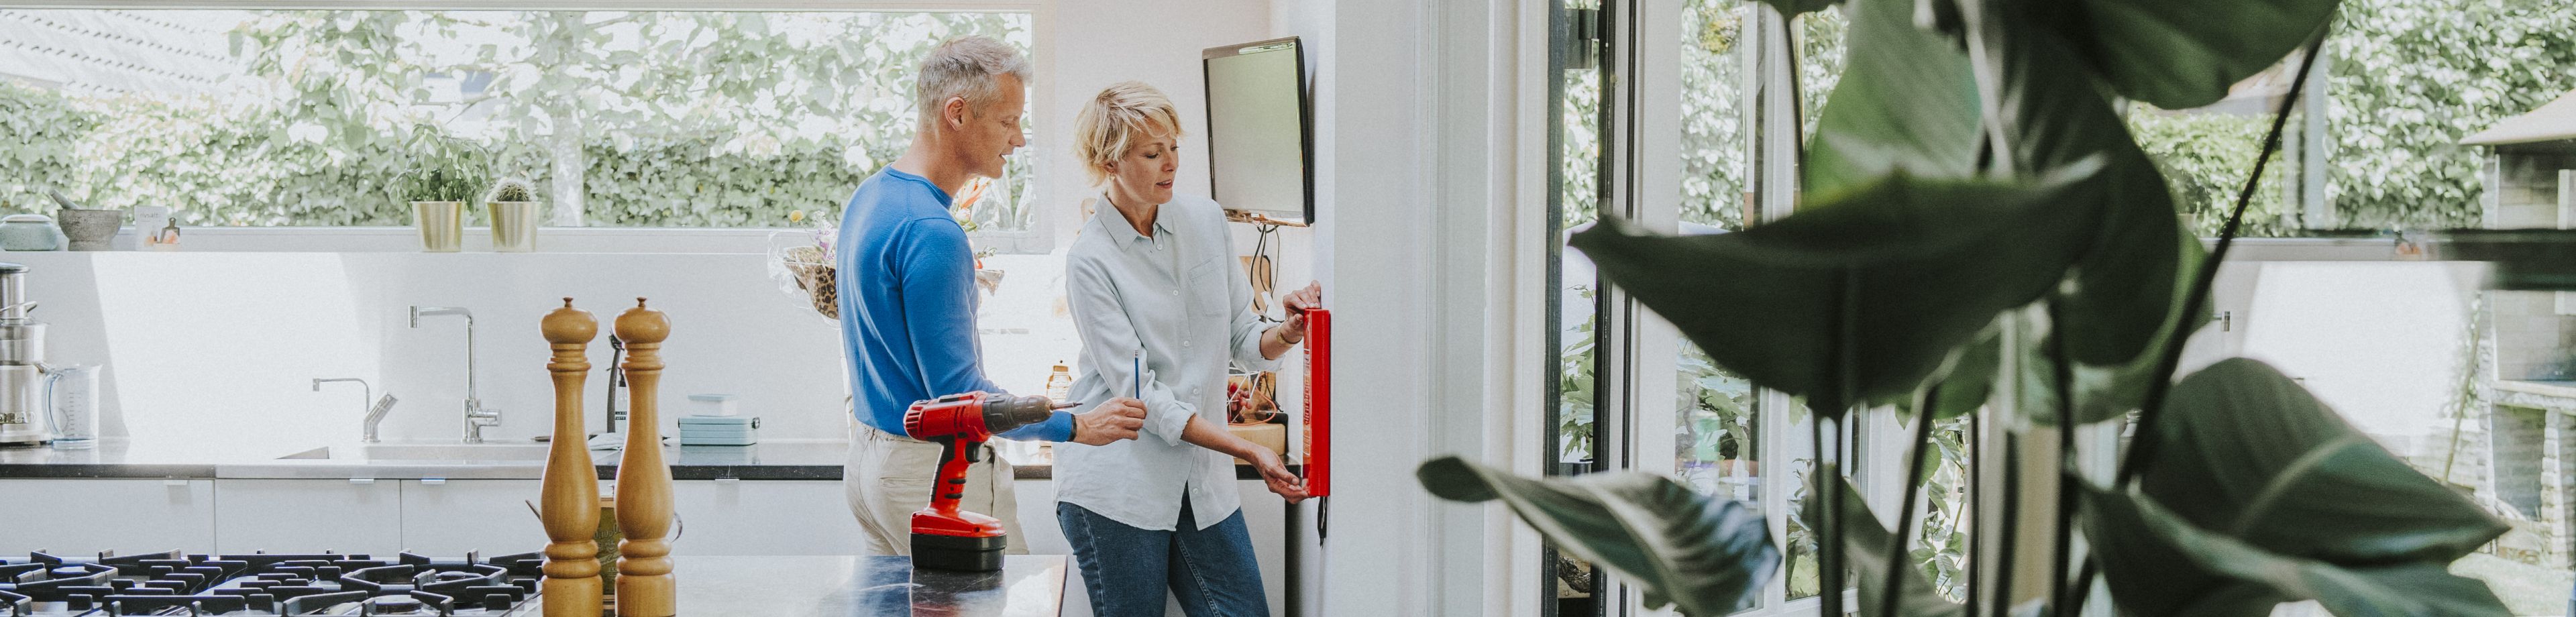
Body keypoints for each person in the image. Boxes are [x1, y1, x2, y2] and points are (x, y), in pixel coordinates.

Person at [837, 36, 1149, 556]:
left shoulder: (872, 196)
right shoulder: (932, 232)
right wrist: (1075, 425)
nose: (1019, 140)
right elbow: (958, 393)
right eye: (1008, 121)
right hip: (931, 473)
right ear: (956, 114)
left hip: (872, 464)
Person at [1057, 80, 1321, 617]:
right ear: (1110, 162)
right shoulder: (1091, 261)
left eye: (1174, 147)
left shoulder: (1206, 222)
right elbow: (1144, 399)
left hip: (1201, 482)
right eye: (1153, 153)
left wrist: (1289, 332)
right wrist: (1248, 449)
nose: (1170, 163)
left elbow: (1244, 341)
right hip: (1118, 488)